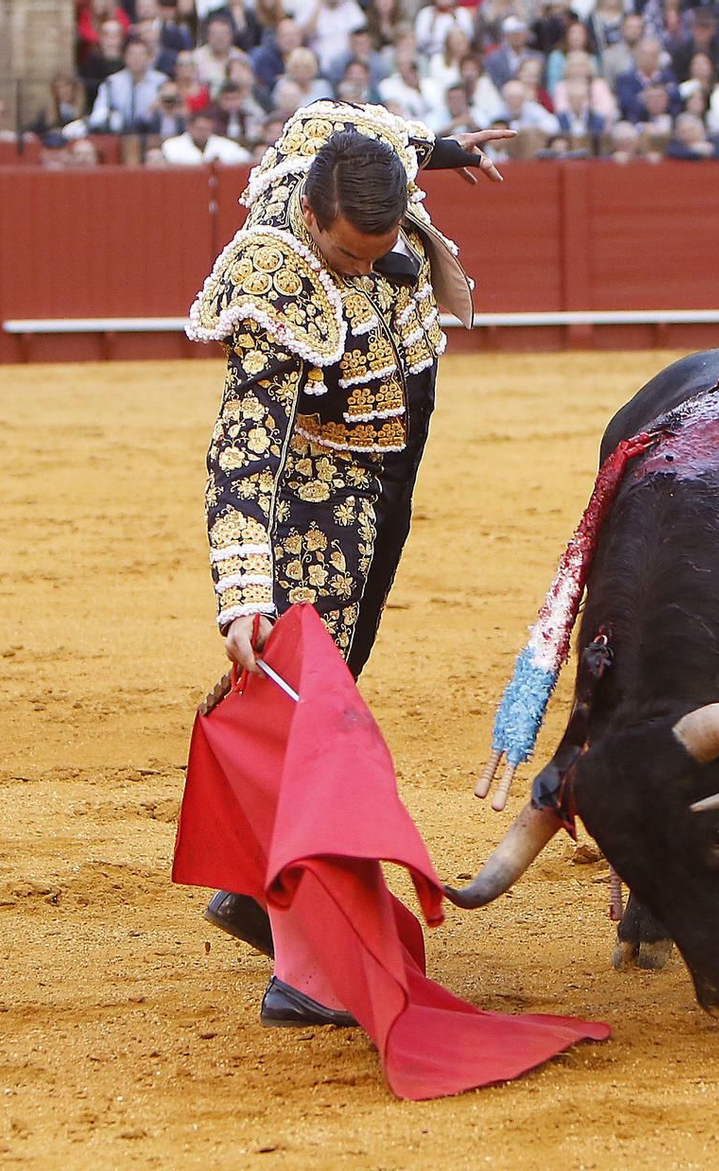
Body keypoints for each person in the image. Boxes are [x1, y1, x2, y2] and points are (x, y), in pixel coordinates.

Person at [188, 100, 511, 1026]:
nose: (362, 269)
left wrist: (445, 153)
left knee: (343, 676)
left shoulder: (345, 152)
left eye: (378, 252)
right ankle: (302, 966)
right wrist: (244, 595)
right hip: (318, 490)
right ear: (315, 218)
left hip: (391, 466)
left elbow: (392, 141)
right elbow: (244, 451)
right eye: (347, 256)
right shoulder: (274, 283)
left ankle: (256, 892)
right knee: (316, 715)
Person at [91, 38, 170, 132]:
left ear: (149, 58)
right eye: (132, 54)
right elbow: (98, 113)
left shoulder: (161, 82)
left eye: (141, 55)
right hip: (118, 135)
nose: (136, 59)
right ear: (124, 57)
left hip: (152, 133)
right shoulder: (111, 83)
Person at [161, 107, 254, 161]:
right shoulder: (173, 145)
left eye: (207, 129)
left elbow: (244, 156)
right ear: (190, 127)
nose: (203, 133)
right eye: (200, 129)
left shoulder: (222, 144)